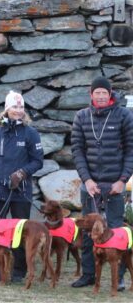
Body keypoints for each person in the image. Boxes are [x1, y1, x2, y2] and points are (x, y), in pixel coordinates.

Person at [70, 76, 133, 289]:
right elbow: (77, 150)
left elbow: (131, 150)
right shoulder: (81, 116)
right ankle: (88, 275)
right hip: (90, 184)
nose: (101, 96)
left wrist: (122, 180)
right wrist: (86, 180)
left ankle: (121, 277)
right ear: (91, 94)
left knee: (116, 232)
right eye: (97, 92)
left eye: (104, 92)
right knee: (88, 231)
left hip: (115, 183)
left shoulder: (124, 115)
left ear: (110, 93)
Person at [0, 91, 43, 282]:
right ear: (7, 109)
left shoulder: (31, 133)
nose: (18, 111)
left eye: (21, 107)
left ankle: (18, 272)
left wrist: (21, 173)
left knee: (20, 232)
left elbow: (38, 161)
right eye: (15, 107)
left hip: (20, 192)